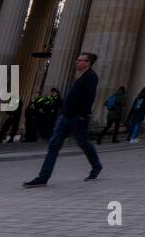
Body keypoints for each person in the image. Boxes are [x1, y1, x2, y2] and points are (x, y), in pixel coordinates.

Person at [23, 52, 103, 187]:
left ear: (88, 63)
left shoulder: (91, 77)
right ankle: (43, 177)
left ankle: (96, 166)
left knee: (84, 143)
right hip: (66, 117)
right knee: (53, 145)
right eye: (77, 59)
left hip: (78, 118)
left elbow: (90, 97)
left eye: (80, 60)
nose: (76, 62)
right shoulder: (81, 76)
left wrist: (82, 115)